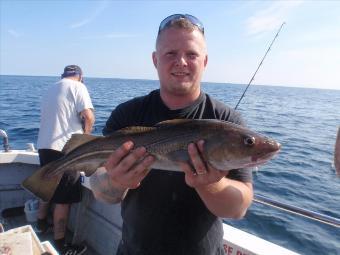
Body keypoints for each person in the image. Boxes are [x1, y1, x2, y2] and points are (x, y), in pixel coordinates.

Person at [90, 14, 253, 255]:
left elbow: (238, 208)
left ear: (205, 61)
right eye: (170, 54)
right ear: (155, 60)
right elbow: (99, 190)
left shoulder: (228, 123)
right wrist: (115, 181)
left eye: (192, 54)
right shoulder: (127, 114)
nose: (182, 62)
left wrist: (212, 185)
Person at [36, 65, 95, 255]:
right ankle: (60, 245)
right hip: (66, 150)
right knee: (63, 199)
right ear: (81, 76)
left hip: (44, 146)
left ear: (62, 75)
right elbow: (88, 116)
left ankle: (41, 224)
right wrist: (85, 140)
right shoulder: (79, 87)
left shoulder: (50, 89)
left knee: (46, 188)